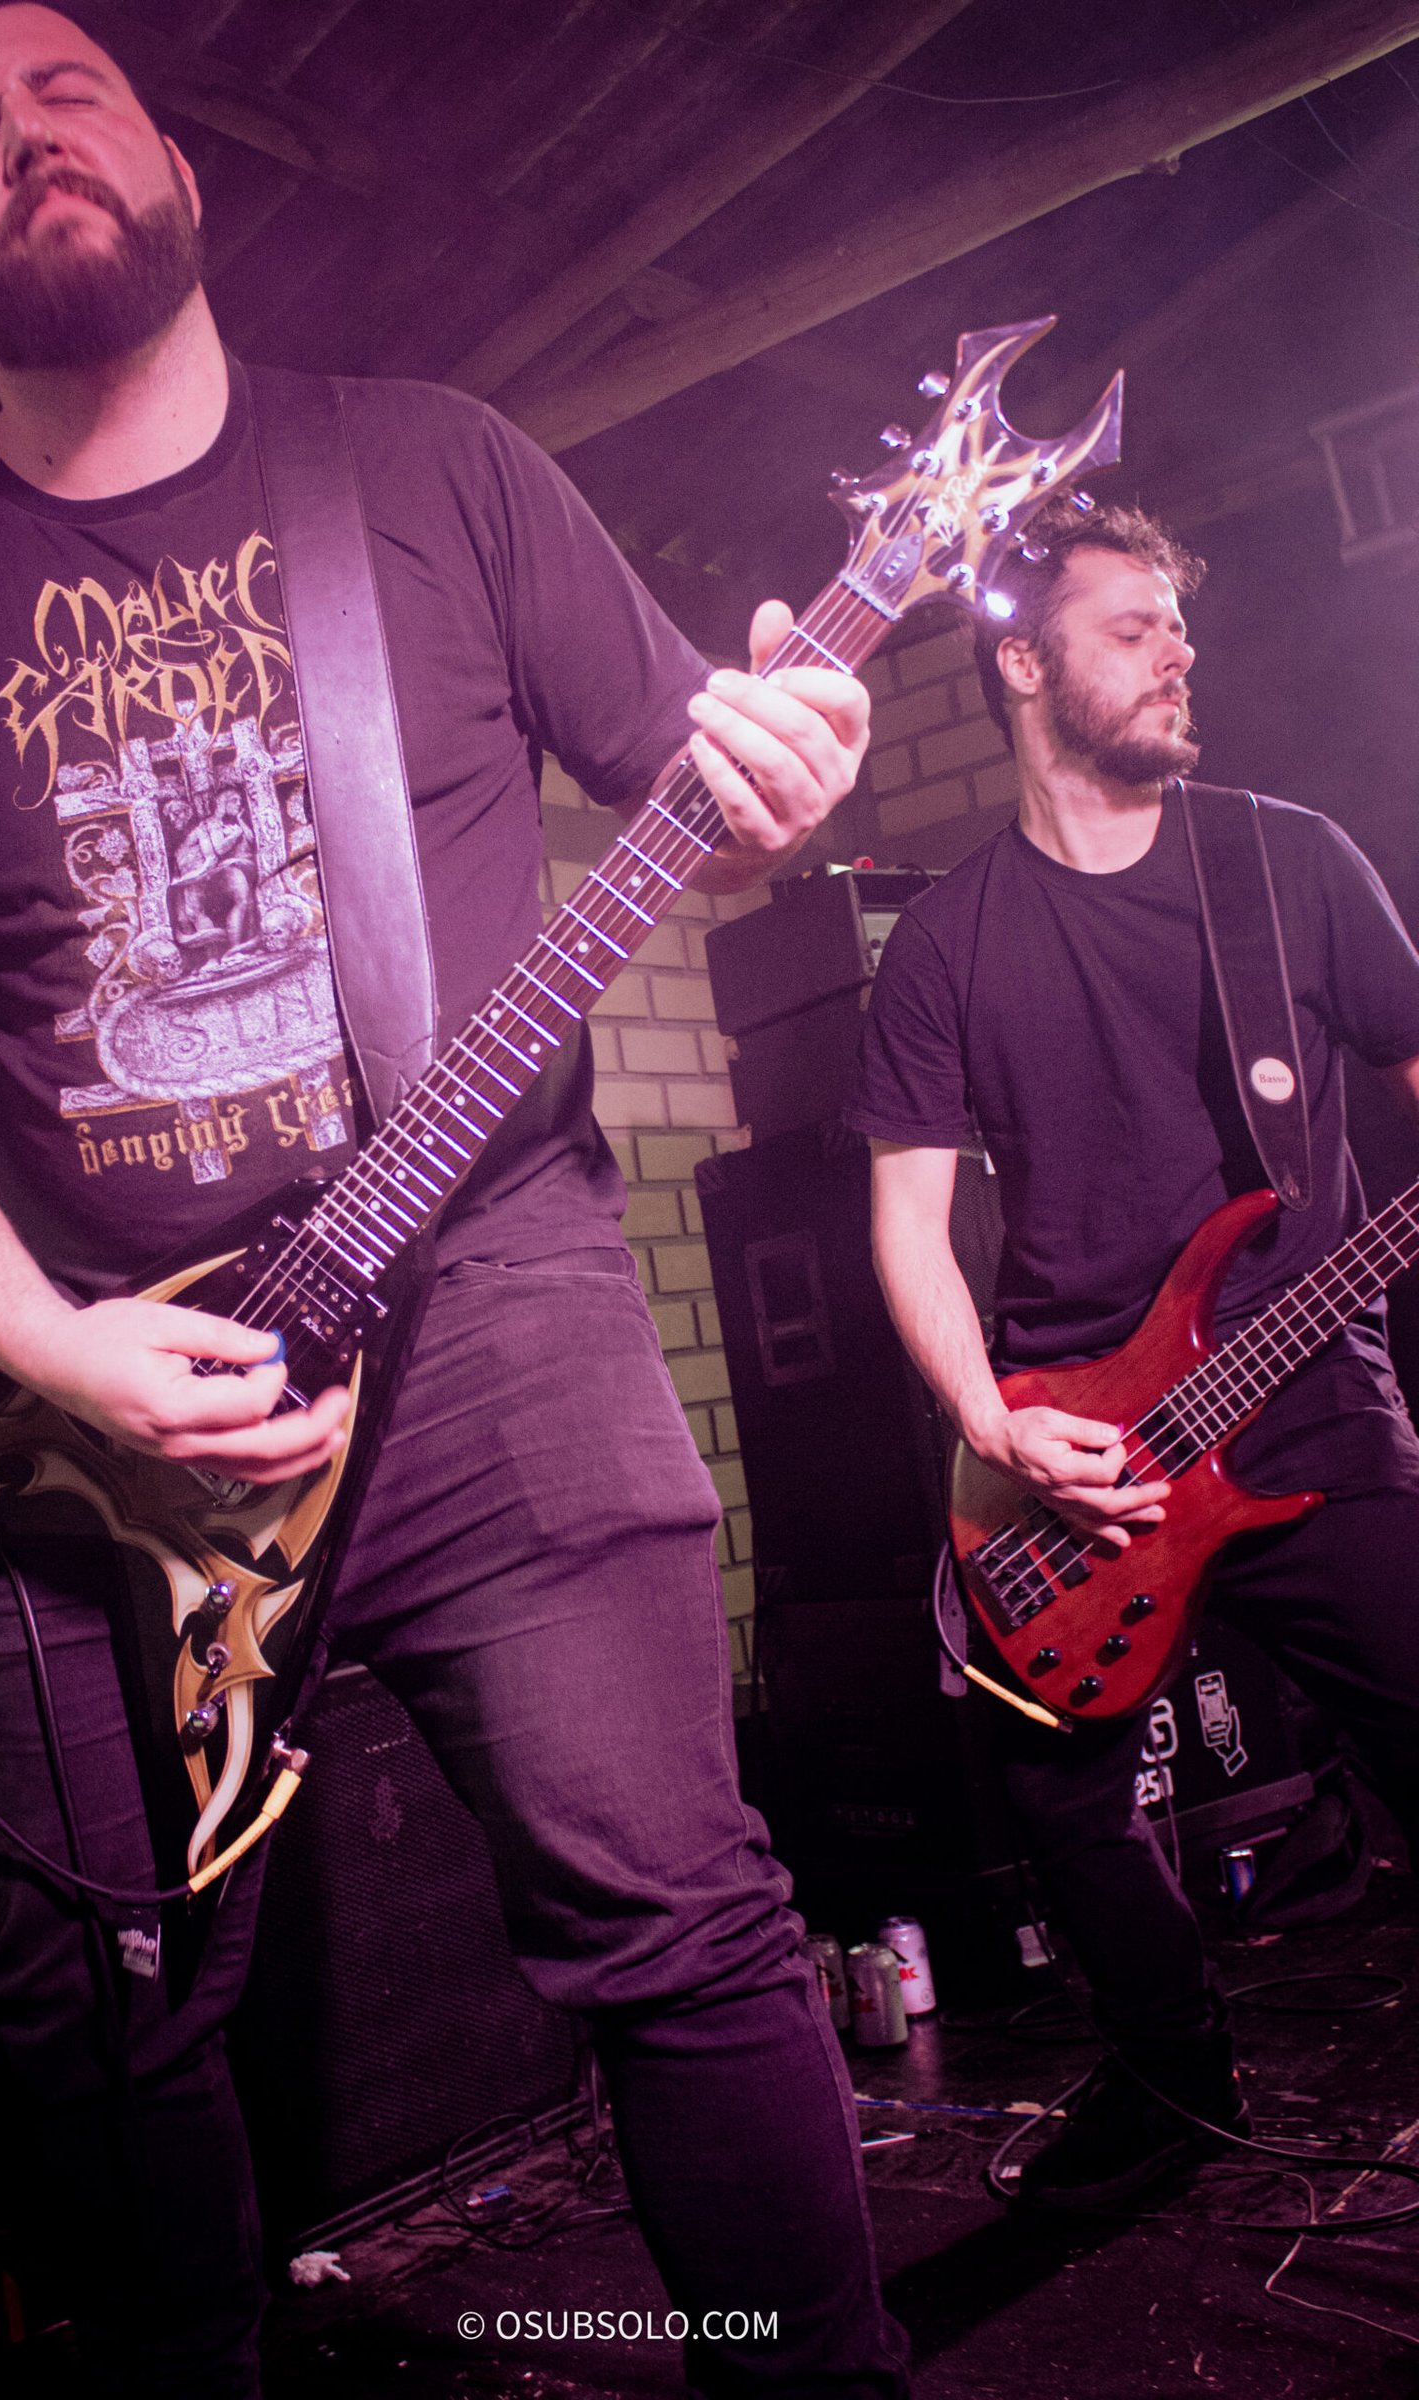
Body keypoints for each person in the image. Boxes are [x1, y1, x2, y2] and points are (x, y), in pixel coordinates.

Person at [0, 5, 911, 2393]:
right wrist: (51, 1349)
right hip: (102, 1385)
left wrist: (781, 783)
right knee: (90, 2014)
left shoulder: (435, 466)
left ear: (176, 158)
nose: (24, 140)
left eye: (68, 91)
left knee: (676, 1928)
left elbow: (713, 813)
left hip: (494, 1291)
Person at [851, 493, 1419, 2209]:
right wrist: (990, 1420)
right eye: (1133, 625)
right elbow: (909, 1227)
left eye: (1180, 620)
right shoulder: (946, 942)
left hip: (1309, 1405)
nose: (1180, 650)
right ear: (1024, 666)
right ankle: (1174, 2082)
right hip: (1075, 1452)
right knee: (1057, 1806)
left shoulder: (1288, 863)